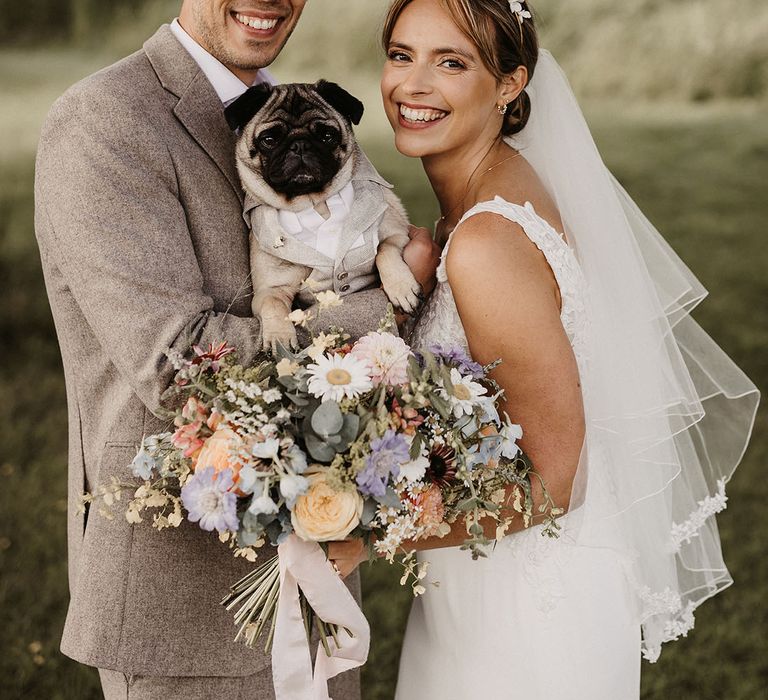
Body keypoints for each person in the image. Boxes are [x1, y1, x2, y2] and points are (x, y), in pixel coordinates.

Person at [328, 1, 759, 697]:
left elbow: (556, 482)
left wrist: (369, 530)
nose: (412, 84)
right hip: (474, 588)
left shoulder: (486, 245)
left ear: (510, 84)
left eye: (452, 62)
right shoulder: (478, 203)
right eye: (402, 55)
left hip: (523, 616)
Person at [33, 1, 440, 698]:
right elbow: (178, 365)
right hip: (183, 610)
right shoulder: (104, 120)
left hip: (321, 580)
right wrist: (390, 316)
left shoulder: (312, 117)